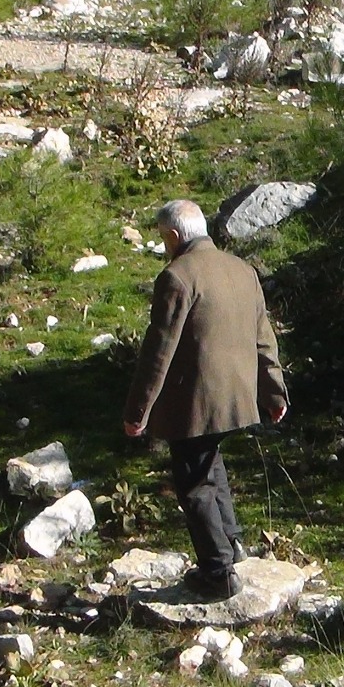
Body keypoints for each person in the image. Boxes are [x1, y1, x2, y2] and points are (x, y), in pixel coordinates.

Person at [124, 199, 288, 600]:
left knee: (193, 483)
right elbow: (264, 339)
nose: (164, 247)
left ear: (175, 236)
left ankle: (217, 572)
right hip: (238, 396)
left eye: (164, 239)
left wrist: (137, 412)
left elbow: (158, 352)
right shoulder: (243, 270)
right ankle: (232, 544)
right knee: (210, 465)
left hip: (196, 402)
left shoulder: (177, 277)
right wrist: (274, 392)